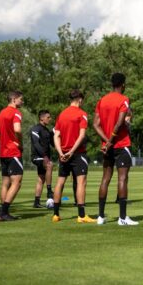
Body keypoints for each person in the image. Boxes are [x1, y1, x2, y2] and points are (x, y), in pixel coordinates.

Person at [93, 73, 138, 226]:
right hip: (121, 144)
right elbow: (119, 124)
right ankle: (123, 218)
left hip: (107, 147)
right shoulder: (124, 99)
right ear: (123, 85)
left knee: (105, 179)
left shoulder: (102, 100)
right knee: (122, 178)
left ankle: (100, 216)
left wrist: (106, 142)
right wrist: (111, 140)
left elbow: (95, 125)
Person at [52, 90, 95, 223]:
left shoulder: (62, 114)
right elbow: (82, 136)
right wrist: (71, 152)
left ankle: (56, 214)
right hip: (77, 154)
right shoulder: (82, 114)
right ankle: (81, 216)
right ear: (80, 99)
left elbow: (56, 135)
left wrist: (60, 152)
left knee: (60, 182)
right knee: (81, 183)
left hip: (63, 154)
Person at [0, 91, 25, 221]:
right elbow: (17, 129)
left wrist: (3, 142)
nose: (22, 102)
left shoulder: (1, 113)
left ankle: (3, 211)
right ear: (14, 99)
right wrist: (19, 143)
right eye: (21, 99)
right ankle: (3, 212)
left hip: (3, 153)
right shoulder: (16, 112)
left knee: (5, 183)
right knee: (17, 182)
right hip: (13, 152)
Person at [30, 110, 54, 208]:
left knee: (41, 179)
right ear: (41, 118)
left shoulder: (47, 130)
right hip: (37, 157)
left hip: (44, 157)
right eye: (48, 117)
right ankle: (49, 192)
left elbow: (52, 144)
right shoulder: (35, 129)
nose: (50, 119)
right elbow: (36, 144)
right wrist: (45, 156)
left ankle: (36, 202)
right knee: (49, 165)